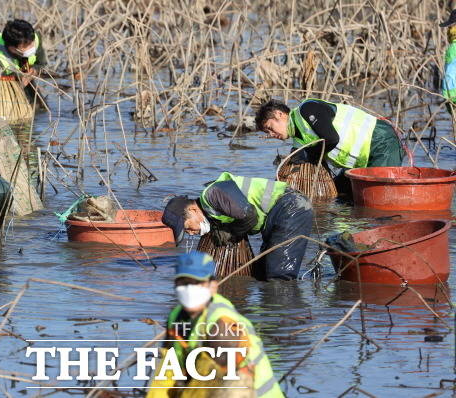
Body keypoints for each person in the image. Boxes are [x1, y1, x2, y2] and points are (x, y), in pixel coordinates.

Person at [149, 252, 283, 397]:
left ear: (213, 286)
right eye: (183, 283)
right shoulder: (176, 317)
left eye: (196, 283)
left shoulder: (223, 323)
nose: (189, 288)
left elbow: (218, 384)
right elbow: (167, 370)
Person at [162, 172, 312, 280]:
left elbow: (249, 215)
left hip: (290, 207)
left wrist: (232, 232)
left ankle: (287, 320)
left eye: (188, 228)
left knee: (279, 275)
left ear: (193, 210)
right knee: (263, 270)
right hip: (277, 214)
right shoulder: (212, 210)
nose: (191, 233)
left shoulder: (212, 195)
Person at [255, 98, 405, 169]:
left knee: (379, 201)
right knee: (341, 195)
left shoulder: (307, 109)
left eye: (270, 128)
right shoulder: (298, 141)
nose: (271, 134)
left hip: (381, 142)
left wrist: (309, 155)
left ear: (280, 114)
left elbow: (332, 139)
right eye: (267, 132)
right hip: (360, 162)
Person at [0, 19, 47, 104]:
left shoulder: (32, 38)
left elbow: (41, 63)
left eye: (32, 44)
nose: (31, 47)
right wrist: (21, 76)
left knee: (37, 104)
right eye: (26, 46)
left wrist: (34, 70)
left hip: (23, 72)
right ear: (12, 48)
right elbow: (0, 84)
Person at [440, 10, 456, 109]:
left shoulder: (453, 48)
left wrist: (448, 96)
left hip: (453, 94)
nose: (448, 30)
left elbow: (449, 74)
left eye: (451, 26)